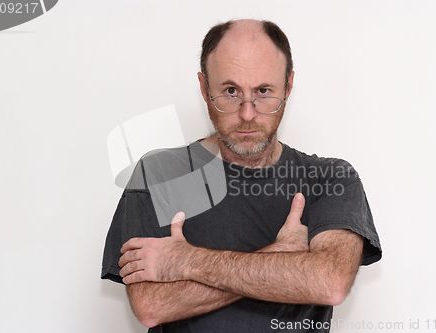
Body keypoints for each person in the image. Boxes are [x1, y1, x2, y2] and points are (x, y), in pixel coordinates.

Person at [101, 19, 382, 332]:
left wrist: (187, 261)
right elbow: (151, 307)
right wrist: (280, 256)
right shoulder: (159, 174)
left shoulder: (330, 179)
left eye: (263, 91)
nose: (248, 113)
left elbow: (330, 282)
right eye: (231, 91)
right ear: (204, 88)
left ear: (288, 86)